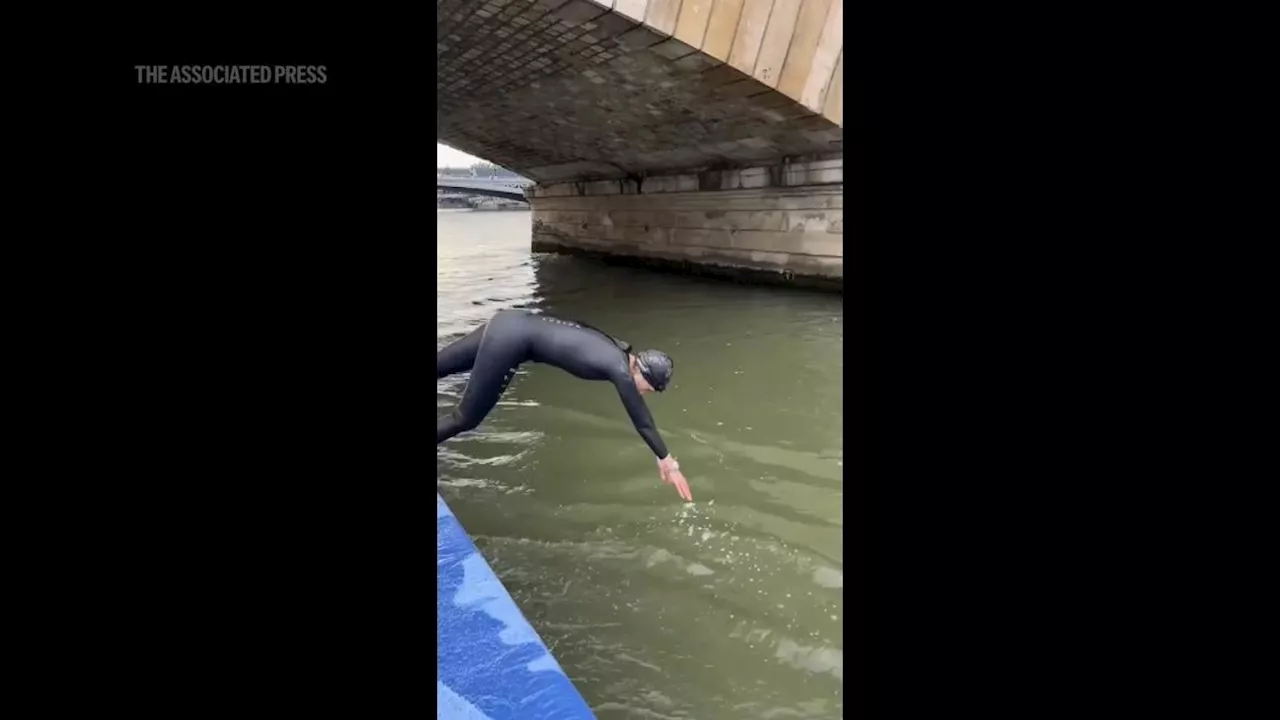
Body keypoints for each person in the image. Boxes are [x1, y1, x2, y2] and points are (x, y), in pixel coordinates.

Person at [437, 309, 692, 501]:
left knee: (441, 366)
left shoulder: (617, 348)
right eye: (647, 388)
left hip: (508, 321)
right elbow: (642, 421)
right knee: (466, 418)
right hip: (510, 341)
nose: (643, 393)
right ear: (642, 373)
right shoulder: (619, 369)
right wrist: (666, 460)